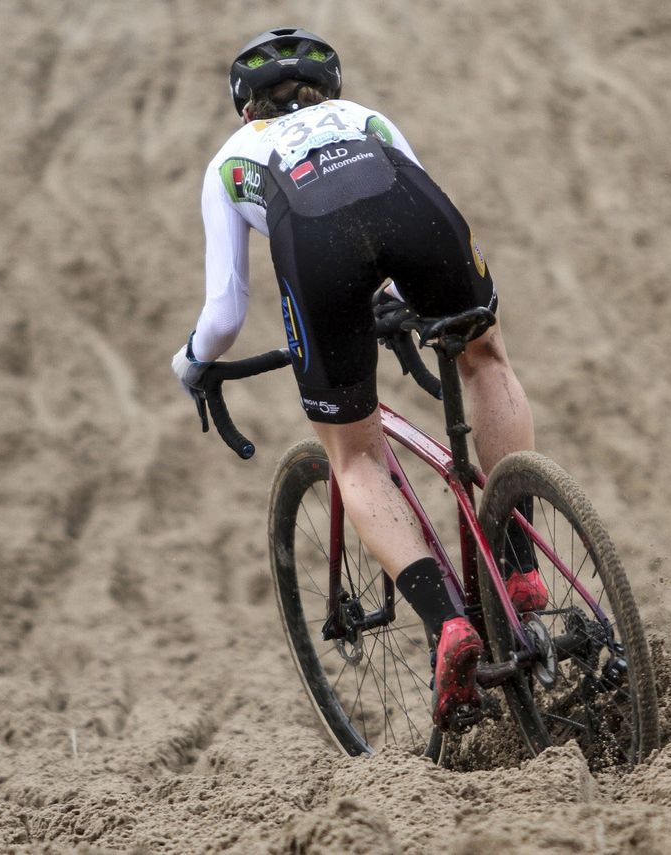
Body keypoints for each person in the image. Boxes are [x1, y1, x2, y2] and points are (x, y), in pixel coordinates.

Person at [172, 27, 545, 731]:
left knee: (355, 452)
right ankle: (521, 562)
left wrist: (192, 361)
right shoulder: (365, 118)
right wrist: (400, 303)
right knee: (485, 356)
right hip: (416, 215)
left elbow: (225, 311)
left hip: (316, 255)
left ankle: (448, 627)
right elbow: (410, 197)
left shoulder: (230, 161)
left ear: (245, 106)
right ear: (327, 88)